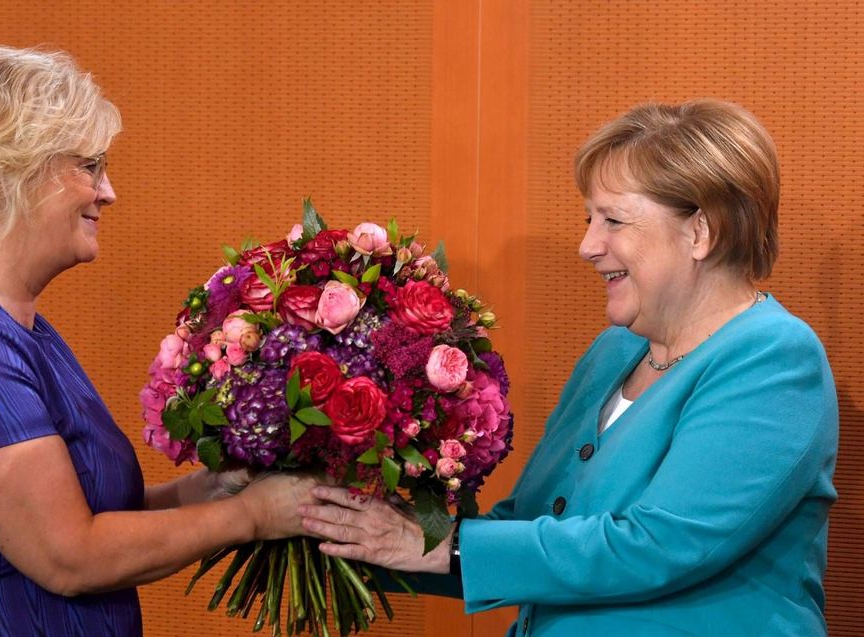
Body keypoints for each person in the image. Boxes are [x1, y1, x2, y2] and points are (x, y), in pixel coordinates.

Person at [301, 99, 838, 636]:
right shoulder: (613, 352)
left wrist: (445, 548)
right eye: (590, 218)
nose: (587, 246)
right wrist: (335, 529)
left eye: (614, 220)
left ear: (701, 231)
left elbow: (662, 546)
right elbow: (532, 529)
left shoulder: (773, 358)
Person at [0, 44, 314, 636]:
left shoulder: (7, 326)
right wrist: (252, 518)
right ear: (16, 171)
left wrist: (220, 489)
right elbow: (70, 555)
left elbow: (94, 520)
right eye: (90, 166)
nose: (108, 192)